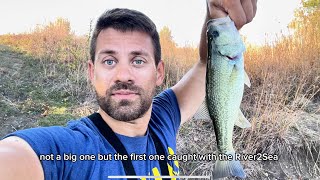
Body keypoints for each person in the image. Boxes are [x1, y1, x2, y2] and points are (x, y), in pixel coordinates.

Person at [0, 0, 257, 179]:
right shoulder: (72, 149)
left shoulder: (163, 119)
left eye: (138, 60)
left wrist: (215, 13)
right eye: (109, 61)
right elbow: (14, 158)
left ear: (159, 73)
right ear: (92, 72)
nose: (123, 75)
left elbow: (206, 65)